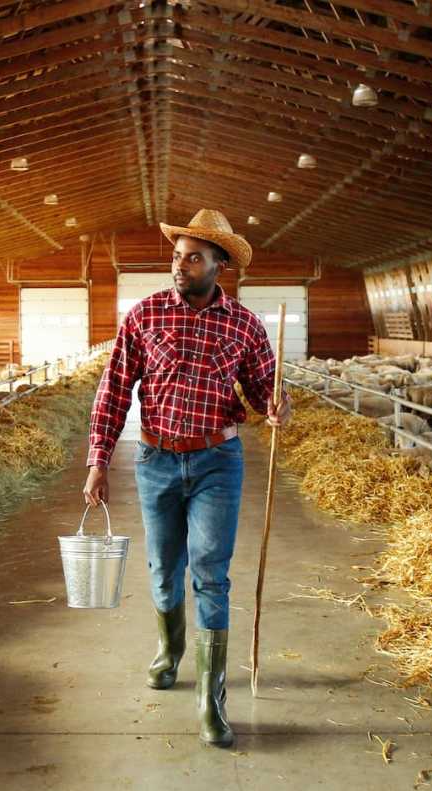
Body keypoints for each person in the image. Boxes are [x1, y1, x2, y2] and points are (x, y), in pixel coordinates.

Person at [82, 208, 290, 748]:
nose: (181, 265)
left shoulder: (244, 325)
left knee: (210, 571)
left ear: (219, 264)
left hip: (218, 461)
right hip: (155, 460)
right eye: (177, 256)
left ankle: (211, 698)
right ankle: (169, 651)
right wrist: (98, 460)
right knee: (162, 566)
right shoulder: (144, 315)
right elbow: (113, 391)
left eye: (193, 257)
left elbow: (264, 388)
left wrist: (276, 406)